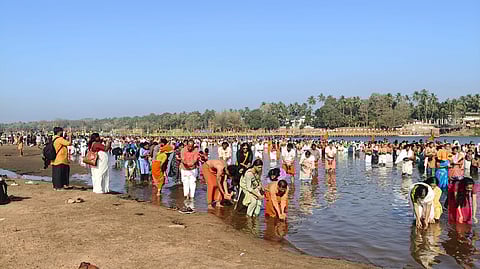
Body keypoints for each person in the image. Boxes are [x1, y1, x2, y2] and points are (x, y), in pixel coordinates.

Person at [180, 140, 200, 208]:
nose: (190, 148)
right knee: (185, 183)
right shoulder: (183, 150)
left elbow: (195, 159)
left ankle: (192, 198)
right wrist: (187, 164)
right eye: (189, 146)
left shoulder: (196, 150)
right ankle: (186, 197)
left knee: (192, 184)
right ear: (187, 145)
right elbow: (183, 159)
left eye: (191, 147)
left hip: (193, 169)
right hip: (184, 169)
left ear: (193, 146)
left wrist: (192, 163)